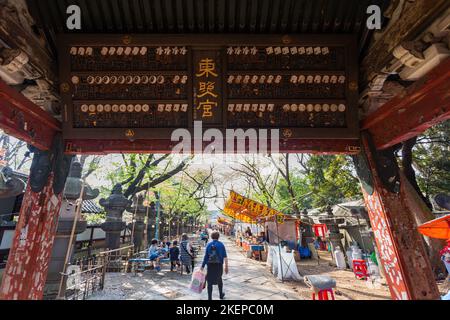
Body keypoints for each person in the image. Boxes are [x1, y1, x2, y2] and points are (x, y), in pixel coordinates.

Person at [201, 231, 228, 300]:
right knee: (219, 279)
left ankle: (209, 298)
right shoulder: (221, 245)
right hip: (219, 265)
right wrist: (226, 267)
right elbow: (225, 256)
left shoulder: (209, 245)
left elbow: (206, 257)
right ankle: (221, 295)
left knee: (209, 281)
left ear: (211, 237)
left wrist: (202, 266)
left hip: (210, 266)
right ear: (218, 237)